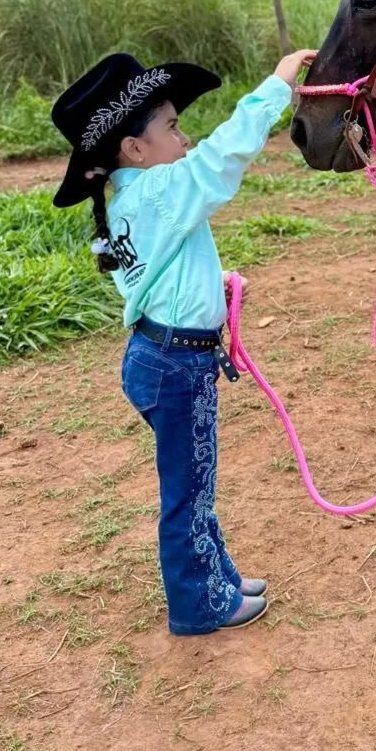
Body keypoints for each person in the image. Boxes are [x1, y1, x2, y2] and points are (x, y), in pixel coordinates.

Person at [50, 48, 315, 634]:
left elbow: (150, 277)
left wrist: (205, 286)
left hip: (157, 358)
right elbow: (221, 158)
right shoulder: (162, 190)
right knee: (189, 490)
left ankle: (215, 575)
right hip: (176, 366)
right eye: (171, 126)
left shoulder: (132, 201)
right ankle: (199, 604)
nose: (186, 136)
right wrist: (276, 85)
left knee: (194, 480)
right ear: (134, 149)